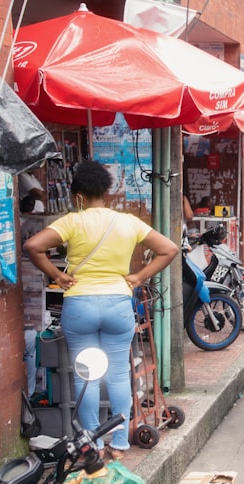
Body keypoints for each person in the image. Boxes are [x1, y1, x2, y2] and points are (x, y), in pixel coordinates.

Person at [24, 160, 179, 459]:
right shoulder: (128, 222)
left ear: (77, 194)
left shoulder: (72, 221)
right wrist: (137, 277)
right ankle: (120, 443)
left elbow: (33, 246)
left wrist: (57, 276)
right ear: (106, 191)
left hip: (80, 305)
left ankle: (93, 443)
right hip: (117, 304)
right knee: (120, 375)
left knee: (86, 376)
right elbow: (169, 249)